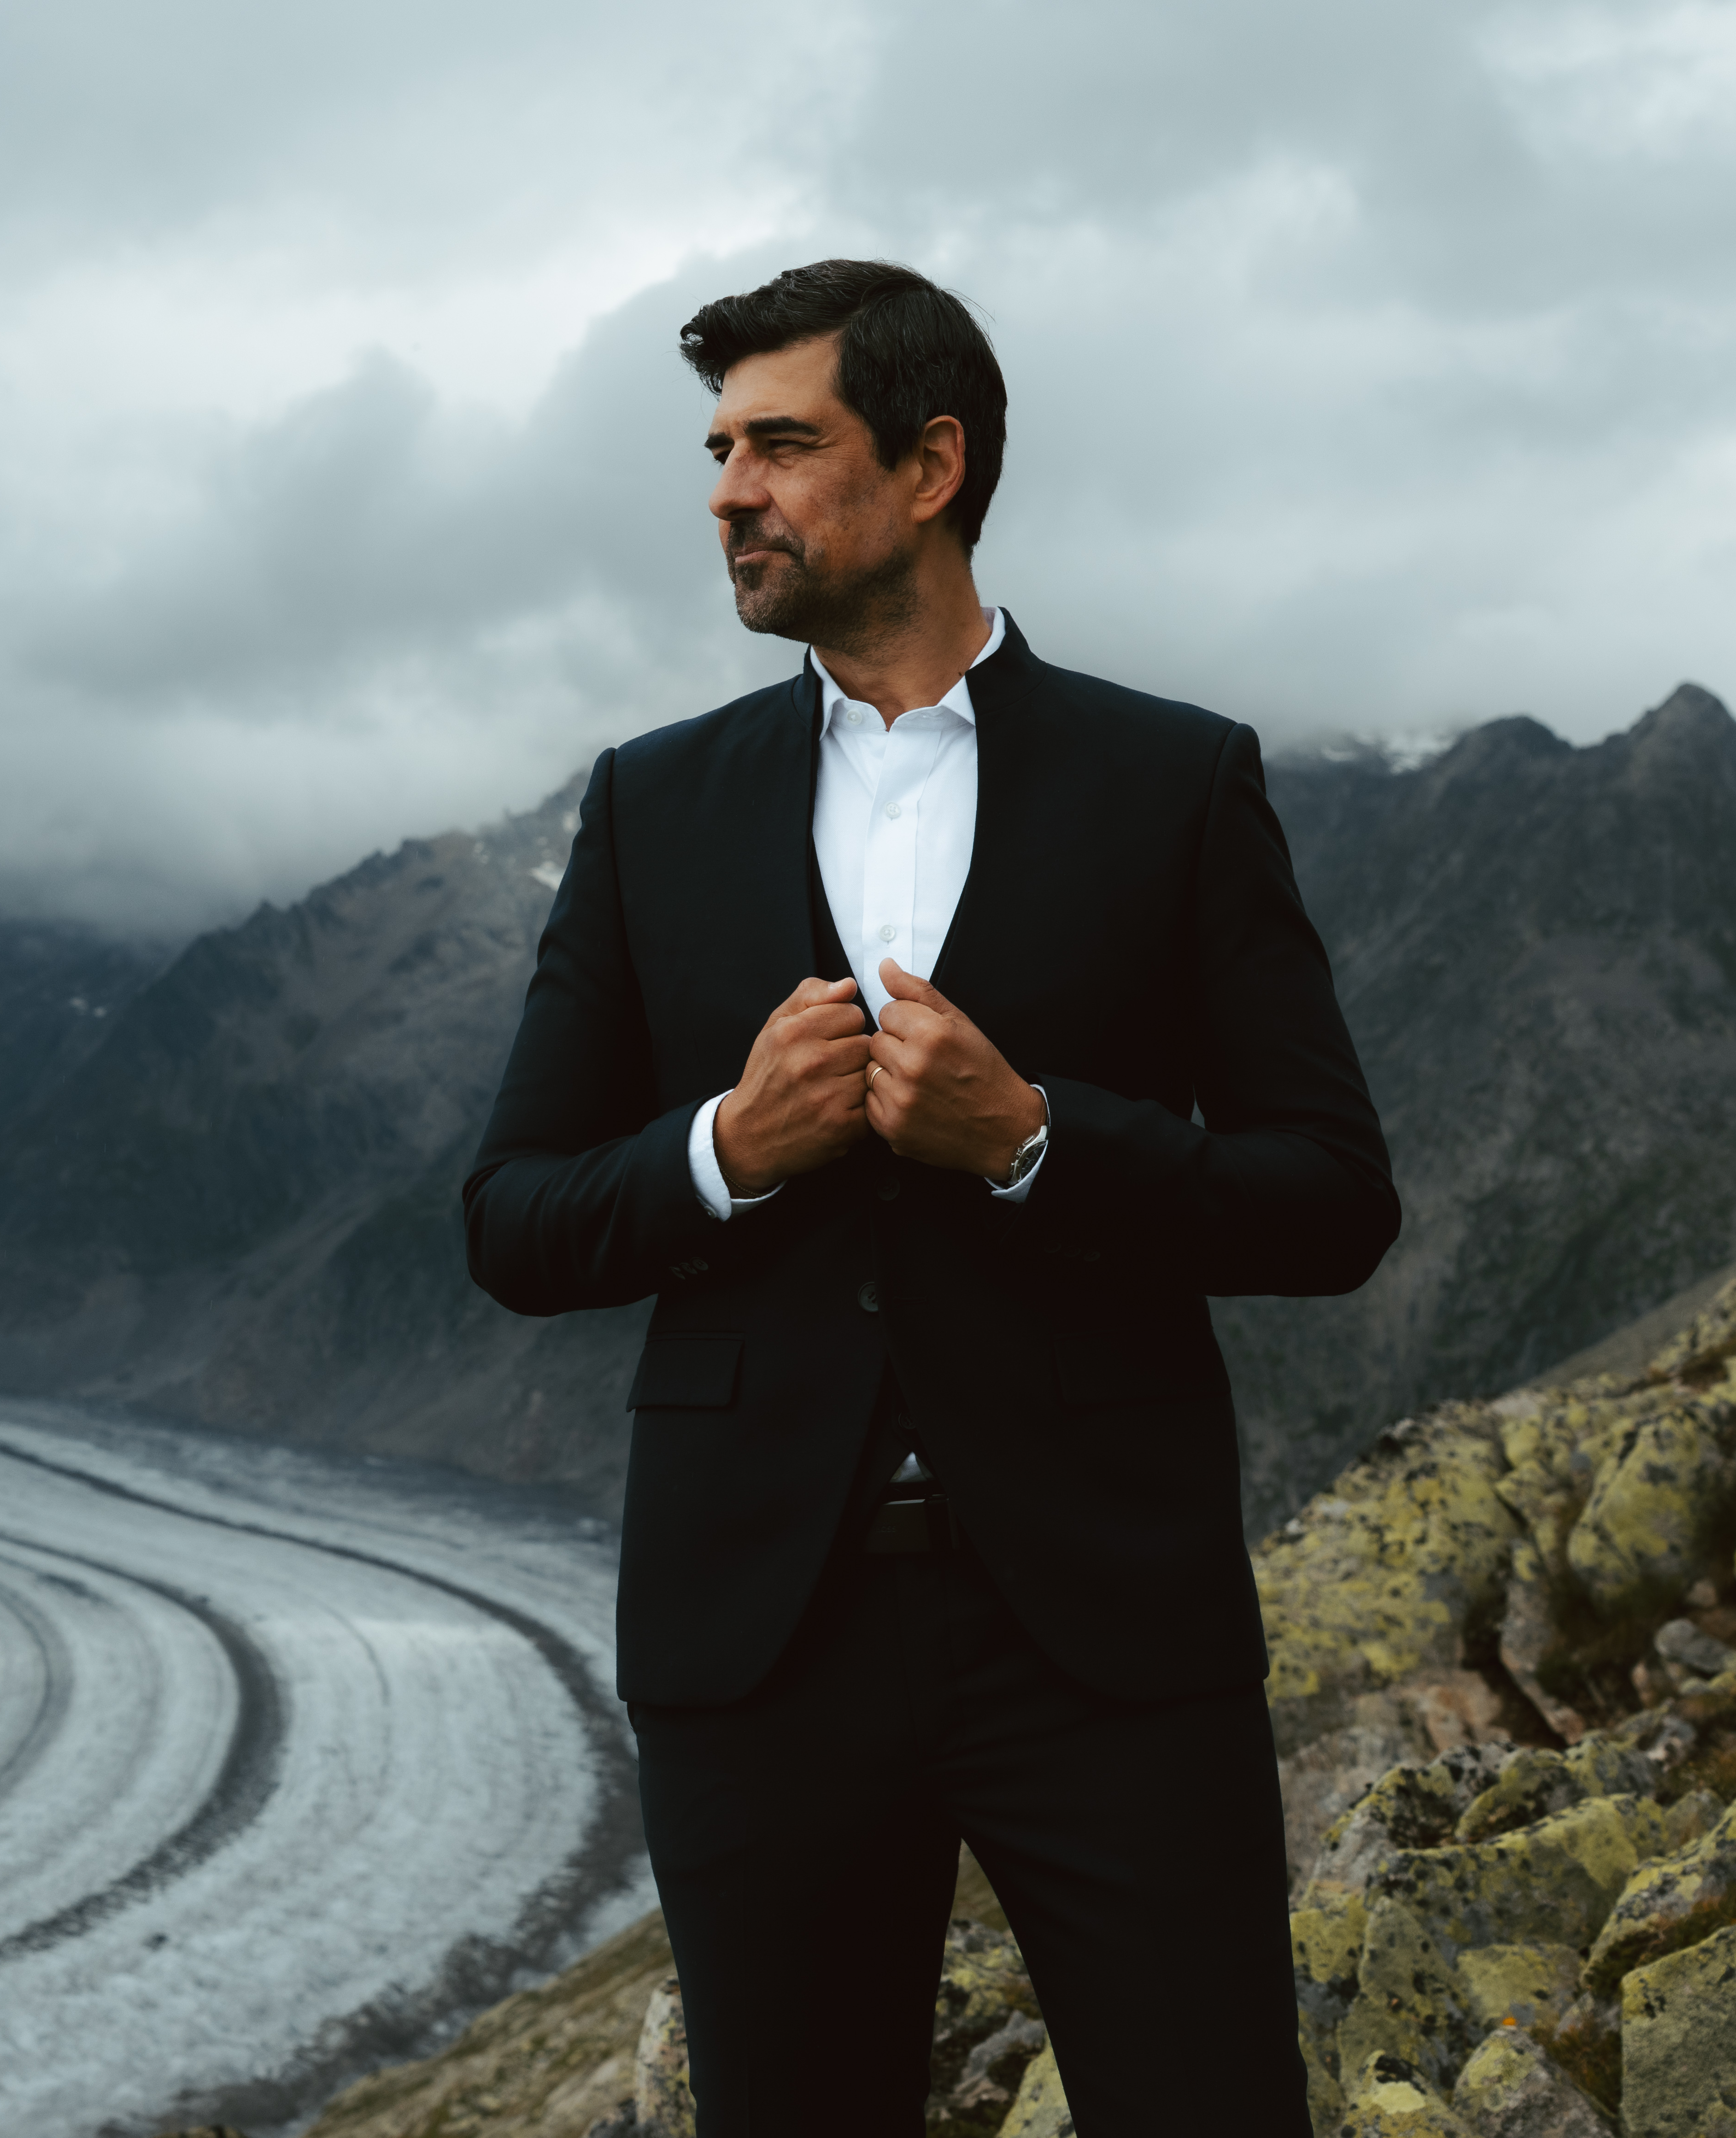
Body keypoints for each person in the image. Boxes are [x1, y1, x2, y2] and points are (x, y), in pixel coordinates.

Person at [460, 259, 1398, 2135]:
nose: (730, 490)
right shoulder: (652, 805)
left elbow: (1332, 1197)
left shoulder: (1175, 779)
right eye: (720, 448)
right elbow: (515, 1215)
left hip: (1105, 1624)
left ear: (933, 463)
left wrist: (1041, 1138)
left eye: (784, 443)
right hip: (762, 1638)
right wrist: (730, 1144)